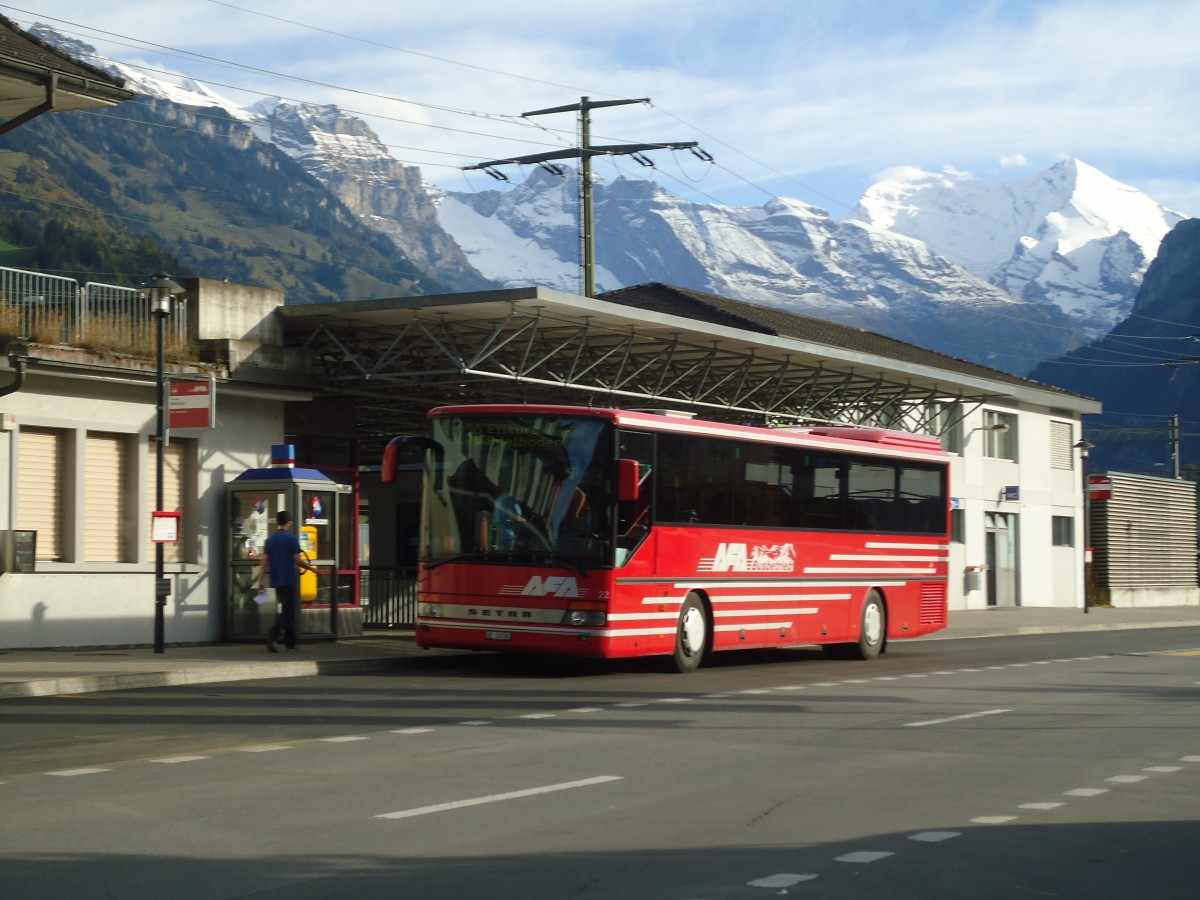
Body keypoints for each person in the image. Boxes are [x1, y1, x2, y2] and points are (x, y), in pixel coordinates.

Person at [255, 510, 314, 653]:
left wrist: (260, 582)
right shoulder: (291, 538)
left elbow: (264, 562)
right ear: (289, 523)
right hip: (289, 579)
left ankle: (291, 644)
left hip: (276, 580)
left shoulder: (269, 540)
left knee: (288, 611)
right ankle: (273, 633)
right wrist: (311, 569)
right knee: (289, 611)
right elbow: (297, 560)